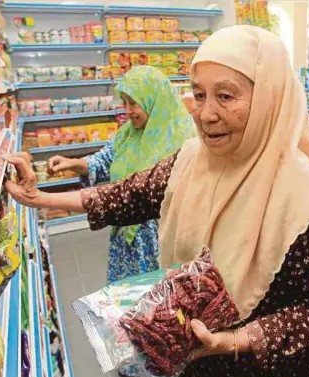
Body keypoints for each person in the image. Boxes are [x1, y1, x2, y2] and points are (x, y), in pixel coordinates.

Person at [6, 25, 309, 377]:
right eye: (199, 95)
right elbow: (130, 193)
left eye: (226, 96)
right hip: (198, 362)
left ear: (269, 98)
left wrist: (237, 340)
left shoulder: (302, 195)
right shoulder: (192, 159)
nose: (206, 115)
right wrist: (41, 197)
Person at [43, 65, 195, 283]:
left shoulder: (183, 138)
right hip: (126, 234)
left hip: (160, 239)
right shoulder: (126, 134)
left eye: (133, 102)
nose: (128, 110)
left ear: (153, 97)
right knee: (126, 298)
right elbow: (103, 161)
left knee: (159, 302)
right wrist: (71, 163)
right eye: (124, 102)